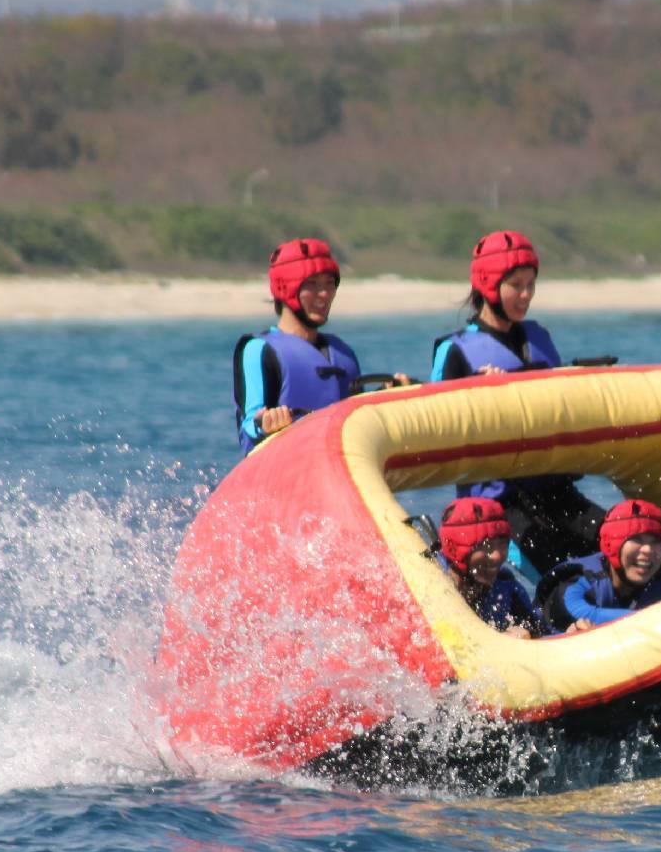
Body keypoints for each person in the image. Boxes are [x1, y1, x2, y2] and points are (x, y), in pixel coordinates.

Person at [429, 230, 603, 576]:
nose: (525, 295)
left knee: (613, 543)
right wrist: (478, 395)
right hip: (497, 502)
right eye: (515, 286)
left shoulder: (540, 338)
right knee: (560, 573)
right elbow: (434, 429)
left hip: (555, 489)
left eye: (530, 285)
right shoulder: (456, 350)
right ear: (487, 285)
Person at [231, 238, 413, 456]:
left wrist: (385, 396)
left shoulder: (342, 353)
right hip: (281, 474)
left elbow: (354, 420)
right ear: (285, 288)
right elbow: (249, 425)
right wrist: (266, 423)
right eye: (313, 284)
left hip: (336, 469)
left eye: (329, 283)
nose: (325, 293)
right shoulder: (259, 351)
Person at [539, 498, 661, 634]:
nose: (648, 550)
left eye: (656, 541)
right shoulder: (579, 581)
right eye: (637, 539)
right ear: (612, 545)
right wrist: (656, 618)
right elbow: (574, 610)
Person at [436, 497, 541, 637]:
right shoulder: (427, 588)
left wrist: (572, 633)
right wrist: (500, 638)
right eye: (484, 545)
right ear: (454, 549)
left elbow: (541, 637)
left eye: (502, 544)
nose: (497, 556)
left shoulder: (508, 590)